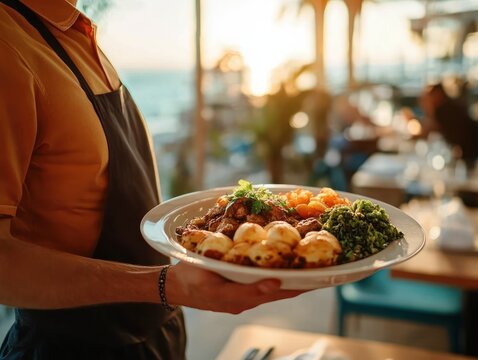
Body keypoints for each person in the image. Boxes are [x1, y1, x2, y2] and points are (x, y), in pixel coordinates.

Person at [0, 0, 303, 358]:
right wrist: (162, 284)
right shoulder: (8, 44)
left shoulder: (74, 32)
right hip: (74, 348)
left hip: (159, 332)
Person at [419, 83, 478, 164]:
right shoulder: (450, 104)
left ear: (438, 94)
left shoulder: (443, 110)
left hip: (470, 149)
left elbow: (428, 130)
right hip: (473, 142)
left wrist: (428, 108)